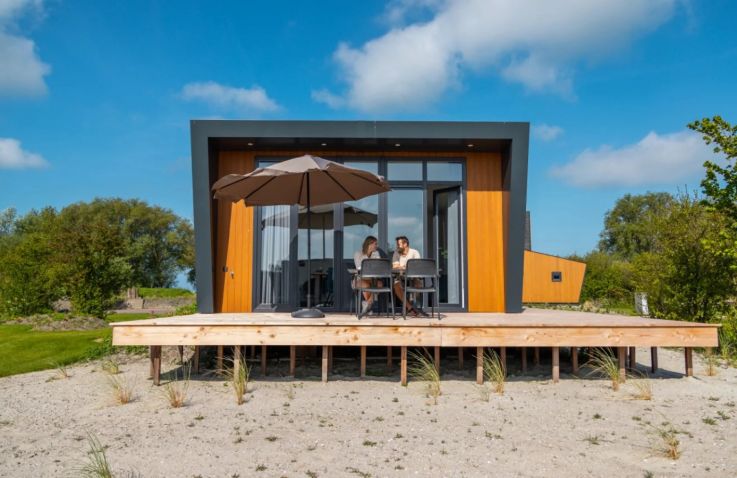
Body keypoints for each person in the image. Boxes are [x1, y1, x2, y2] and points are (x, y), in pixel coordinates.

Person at [391, 236, 426, 317]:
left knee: (418, 284)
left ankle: (414, 307)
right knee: (396, 285)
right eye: (397, 244)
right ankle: (410, 308)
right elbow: (395, 266)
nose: (397, 246)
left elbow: (417, 266)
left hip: (413, 277)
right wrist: (406, 266)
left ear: (405, 244)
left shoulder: (414, 252)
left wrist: (402, 266)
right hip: (401, 278)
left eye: (399, 244)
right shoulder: (396, 253)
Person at [354, 235, 382, 317]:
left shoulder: (376, 253)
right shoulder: (358, 254)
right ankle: (369, 307)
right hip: (360, 279)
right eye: (375, 244)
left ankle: (367, 305)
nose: (376, 246)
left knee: (380, 284)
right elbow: (359, 267)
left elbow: (379, 266)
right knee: (366, 286)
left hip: (373, 279)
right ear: (370, 244)